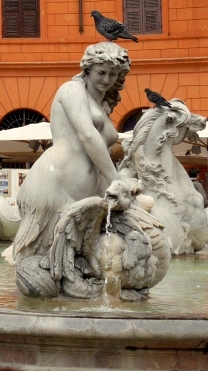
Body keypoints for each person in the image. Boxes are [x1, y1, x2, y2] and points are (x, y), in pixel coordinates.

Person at [10, 42, 130, 261]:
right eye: (101, 72)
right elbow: (87, 135)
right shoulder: (71, 90)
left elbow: (102, 151)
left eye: (113, 74)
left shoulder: (101, 105)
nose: (106, 80)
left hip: (86, 192)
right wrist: (117, 180)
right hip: (55, 184)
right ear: (88, 69)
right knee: (37, 260)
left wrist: (111, 185)